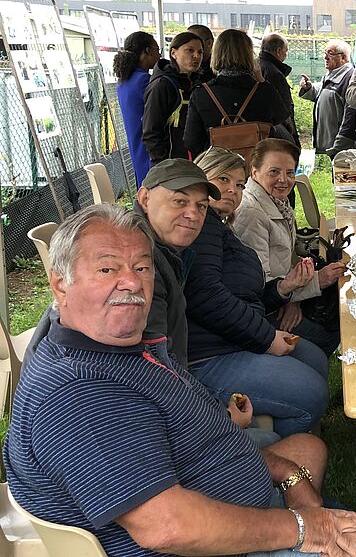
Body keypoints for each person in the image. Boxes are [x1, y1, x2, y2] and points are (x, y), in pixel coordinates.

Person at [4, 205, 356, 557]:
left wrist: (285, 473)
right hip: (202, 544)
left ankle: (321, 519)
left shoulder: (127, 347)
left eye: (141, 267)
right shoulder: (81, 394)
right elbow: (167, 528)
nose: (131, 281)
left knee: (306, 449)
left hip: (217, 484)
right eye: (107, 269)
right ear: (61, 285)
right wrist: (302, 526)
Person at [185, 147, 332, 437]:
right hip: (209, 355)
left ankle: (298, 433)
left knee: (314, 359)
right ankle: (268, 453)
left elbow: (245, 293)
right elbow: (208, 298)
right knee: (312, 393)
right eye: (223, 180)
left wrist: (284, 288)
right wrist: (265, 338)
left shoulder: (219, 227)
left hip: (237, 336)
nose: (231, 190)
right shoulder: (201, 229)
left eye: (238, 185)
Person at [23, 157, 218, 370]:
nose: (193, 214)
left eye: (201, 206)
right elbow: (146, 367)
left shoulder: (166, 253)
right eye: (180, 201)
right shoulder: (139, 255)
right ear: (144, 198)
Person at [234, 139, 346, 356]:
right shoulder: (251, 214)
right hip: (261, 311)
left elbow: (285, 260)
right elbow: (259, 286)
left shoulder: (278, 202)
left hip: (281, 295)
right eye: (274, 171)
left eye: (290, 172)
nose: (283, 180)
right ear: (254, 172)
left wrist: (295, 297)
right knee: (331, 333)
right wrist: (314, 283)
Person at [183, 28, 289, 159]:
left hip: (218, 170)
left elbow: (191, 141)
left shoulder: (202, 93)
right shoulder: (264, 91)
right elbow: (281, 116)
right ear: (249, 55)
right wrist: (261, 80)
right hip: (257, 169)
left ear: (217, 53)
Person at [142, 31, 203, 166]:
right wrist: (162, 166)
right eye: (190, 50)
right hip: (171, 166)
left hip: (197, 164)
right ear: (173, 53)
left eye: (200, 52)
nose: (196, 56)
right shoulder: (162, 85)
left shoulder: (198, 84)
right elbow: (151, 131)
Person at [113, 31, 161, 186]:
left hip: (136, 144)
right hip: (148, 145)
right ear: (147, 51)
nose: (159, 55)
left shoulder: (124, 80)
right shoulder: (144, 80)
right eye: (157, 50)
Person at [300, 39, 355, 156]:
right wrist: (309, 88)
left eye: (330, 54)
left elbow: (351, 116)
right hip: (328, 144)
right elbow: (324, 94)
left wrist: (339, 145)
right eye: (325, 53)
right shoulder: (333, 74)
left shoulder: (349, 79)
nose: (325, 57)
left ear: (343, 58)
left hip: (338, 148)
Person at [258, 33, 301, 146]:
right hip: (276, 132)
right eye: (285, 51)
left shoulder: (256, 66)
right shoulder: (274, 74)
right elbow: (283, 109)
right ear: (278, 51)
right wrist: (292, 134)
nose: (285, 55)